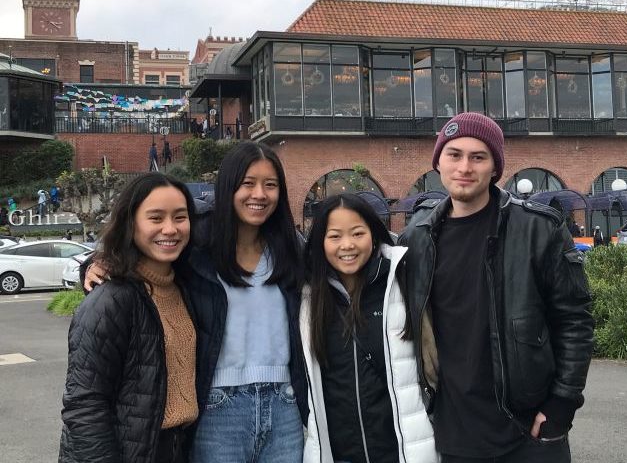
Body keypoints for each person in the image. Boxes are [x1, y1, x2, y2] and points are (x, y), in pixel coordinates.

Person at [85, 142, 307, 462]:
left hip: (285, 405)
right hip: (219, 408)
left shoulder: (291, 246)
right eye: (247, 183)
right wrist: (96, 263)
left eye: (270, 185)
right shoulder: (198, 238)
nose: (259, 194)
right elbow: (145, 247)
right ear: (228, 186)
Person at [399, 112, 594, 463]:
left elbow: (574, 320)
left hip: (527, 431)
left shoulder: (538, 229)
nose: (465, 167)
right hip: (452, 432)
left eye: (478, 157)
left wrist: (563, 402)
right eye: (454, 154)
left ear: (494, 167)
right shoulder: (417, 237)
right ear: (438, 162)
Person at [59, 173, 198, 463]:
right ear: (130, 223)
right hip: (131, 452)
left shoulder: (185, 288)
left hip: (181, 448)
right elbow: (85, 405)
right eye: (156, 218)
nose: (170, 229)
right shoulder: (111, 299)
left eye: (180, 217)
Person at [301, 193, 437, 463]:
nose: (347, 245)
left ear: (374, 235)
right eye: (335, 236)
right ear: (320, 242)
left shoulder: (401, 282)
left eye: (357, 233)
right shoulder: (308, 297)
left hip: (400, 451)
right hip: (339, 453)